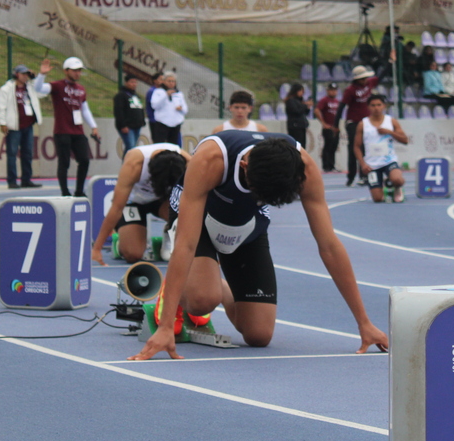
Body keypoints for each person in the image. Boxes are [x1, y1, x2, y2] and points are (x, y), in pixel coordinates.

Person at [129, 129, 389, 359]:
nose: (258, 197)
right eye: (256, 192)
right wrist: (165, 327)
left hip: (247, 222)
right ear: (244, 165)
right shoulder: (211, 159)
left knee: (259, 335)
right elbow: (186, 244)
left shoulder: (304, 169)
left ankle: (218, 286)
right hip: (201, 218)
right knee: (202, 300)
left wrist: (364, 322)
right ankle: (187, 288)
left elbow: (329, 246)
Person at [91, 143, 191, 265]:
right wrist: (97, 248)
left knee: (188, 210)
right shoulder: (134, 165)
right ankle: (120, 242)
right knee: (133, 254)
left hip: (162, 200)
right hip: (133, 202)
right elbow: (116, 208)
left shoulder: (189, 164)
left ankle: (169, 232)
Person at [34, 57, 100, 197]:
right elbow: (38, 89)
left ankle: (79, 191)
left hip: (78, 131)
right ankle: (65, 192)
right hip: (62, 131)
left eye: (79, 70)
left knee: (84, 160)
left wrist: (93, 126)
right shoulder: (57, 86)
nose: (77, 73)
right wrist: (42, 75)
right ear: (66, 71)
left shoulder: (81, 89)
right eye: (74, 70)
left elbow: (85, 109)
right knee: (64, 163)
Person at [0, 64, 44, 189]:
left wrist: (34, 79)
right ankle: (12, 180)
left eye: (27, 74)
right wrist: (2, 122)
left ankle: (26, 179)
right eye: (23, 74)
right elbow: (2, 107)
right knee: (12, 153)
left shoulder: (30, 87)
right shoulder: (6, 89)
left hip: (28, 125)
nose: (25, 77)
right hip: (14, 126)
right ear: (16, 74)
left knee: (28, 153)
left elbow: (42, 93)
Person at [355, 94, 407, 203]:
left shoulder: (391, 121)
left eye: (379, 105)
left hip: (389, 161)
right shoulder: (363, 124)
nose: (376, 108)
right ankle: (386, 187)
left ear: (384, 106)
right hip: (372, 165)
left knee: (397, 179)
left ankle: (397, 186)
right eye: (373, 105)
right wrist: (363, 164)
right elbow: (356, 147)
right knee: (378, 199)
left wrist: (390, 132)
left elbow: (405, 140)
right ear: (368, 107)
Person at [339, 65, 379, 187]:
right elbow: (342, 106)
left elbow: (380, 77)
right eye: (363, 78)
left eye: (366, 77)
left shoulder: (369, 84)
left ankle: (364, 175)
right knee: (353, 149)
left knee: (365, 149)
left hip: (365, 123)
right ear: (357, 79)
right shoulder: (350, 90)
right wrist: (335, 125)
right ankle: (351, 176)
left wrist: (390, 61)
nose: (365, 80)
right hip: (353, 122)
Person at [112, 74, 147, 153]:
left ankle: (127, 160)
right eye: (132, 82)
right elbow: (118, 111)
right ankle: (128, 160)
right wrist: (123, 125)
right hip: (127, 126)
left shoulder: (136, 96)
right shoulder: (121, 95)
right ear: (126, 82)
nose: (134, 84)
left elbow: (140, 109)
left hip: (137, 125)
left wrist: (142, 121)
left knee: (133, 147)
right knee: (130, 146)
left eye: (135, 82)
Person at [150, 72, 186, 145]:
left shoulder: (179, 94)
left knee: (174, 146)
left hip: (175, 124)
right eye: (169, 81)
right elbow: (154, 105)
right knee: (159, 145)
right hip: (162, 123)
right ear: (164, 81)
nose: (171, 83)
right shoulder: (158, 92)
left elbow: (185, 110)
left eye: (173, 81)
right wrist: (166, 95)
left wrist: (181, 108)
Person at [314, 82, 341, 172]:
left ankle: (332, 165)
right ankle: (326, 166)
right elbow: (317, 110)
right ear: (328, 91)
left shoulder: (337, 101)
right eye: (331, 90)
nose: (333, 92)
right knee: (328, 146)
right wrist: (323, 123)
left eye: (335, 90)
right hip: (328, 128)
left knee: (334, 147)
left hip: (335, 128)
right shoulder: (324, 100)